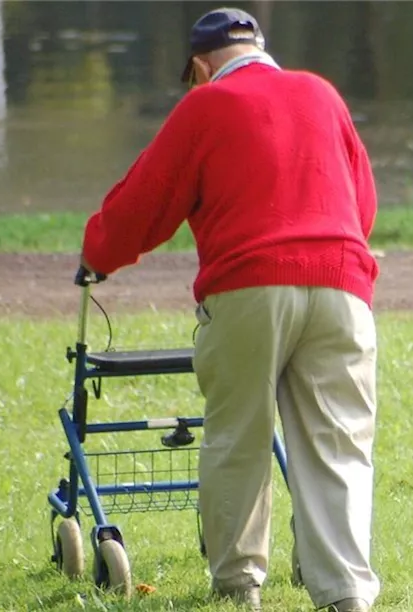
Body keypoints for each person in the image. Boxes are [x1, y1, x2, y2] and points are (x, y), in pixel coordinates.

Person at [77, 7, 381, 612]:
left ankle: (241, 586)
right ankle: (345, 593)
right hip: (343, 284)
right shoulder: (321, 94)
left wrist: (97, 254)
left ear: (199, 65)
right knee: (339, 444)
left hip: (248, 288)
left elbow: (145, 202)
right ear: (261, 49)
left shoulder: (205, 106)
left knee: (238, 435)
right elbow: (362, 201)